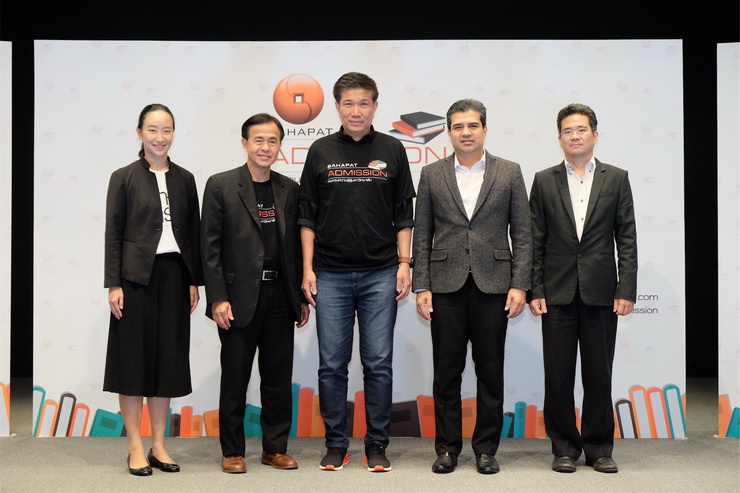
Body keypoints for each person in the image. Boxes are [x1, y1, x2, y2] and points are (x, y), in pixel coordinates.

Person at [298, 72, 415, 472]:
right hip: (329, 274)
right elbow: (307, 216)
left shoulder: (392, 148)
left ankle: (376, 444)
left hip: (381, 273)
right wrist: (307, 269)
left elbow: (404, 213)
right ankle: (336, 443)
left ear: (375, 106)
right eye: (348, 103)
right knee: (332, 365)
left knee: (378, 363)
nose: (356, 110)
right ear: (337, 107)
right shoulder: (320, 150)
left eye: (364, 103)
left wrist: (404, 263)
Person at [412, 99, 532, 474]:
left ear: (485, 129)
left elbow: (523, 233)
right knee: (446, 373)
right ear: (449, 132)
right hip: (444, 286)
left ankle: (486, 450)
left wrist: (520, 284)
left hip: (494, 286)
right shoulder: (431, 174)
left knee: (490, 372)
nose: (466, 132)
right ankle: (447, 449)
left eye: (473, 125)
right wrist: (422, 285)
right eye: (458, 126)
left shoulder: (509, 172)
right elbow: (422, 234)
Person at [528, 103, 637, 474]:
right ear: (559, 138)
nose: (574, 136)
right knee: (557, 376)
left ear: (595, 135)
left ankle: (599, 448)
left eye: (581, 130)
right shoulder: (544, 180)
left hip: (602, 292)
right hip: (555, 293)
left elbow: (627, 238)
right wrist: (535, 289)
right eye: (567, 131)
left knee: (598, 375)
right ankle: (563, 448)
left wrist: (626, 289)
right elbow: (535, 240)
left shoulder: (616, 178)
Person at [201, 113, 309, 474]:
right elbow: (209, 248)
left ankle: (274, 449)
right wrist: (218, 297)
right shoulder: (221, 185)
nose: (266, 147)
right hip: (237, 298)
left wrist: (298, 298)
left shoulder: (288, 188)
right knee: (235, 379)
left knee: (278, 379)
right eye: (259, 140)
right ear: (245, 143)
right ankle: (232, 451)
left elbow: (295, 248)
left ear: (280, 147)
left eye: (273, 141)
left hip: (280, 296)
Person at [104, 103, 202, 476]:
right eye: (153, 130)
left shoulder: (185, 179)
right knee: (133, 364)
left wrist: (193, 280)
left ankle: (158, 445)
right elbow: (113, 234)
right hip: (134, 281)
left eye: (167, 130)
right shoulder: (123, 177)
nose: (160, 138)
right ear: (140, 133)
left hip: (175, 277)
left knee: (167, 364)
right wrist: (114, 283)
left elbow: (192, 233)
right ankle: (134, 445)